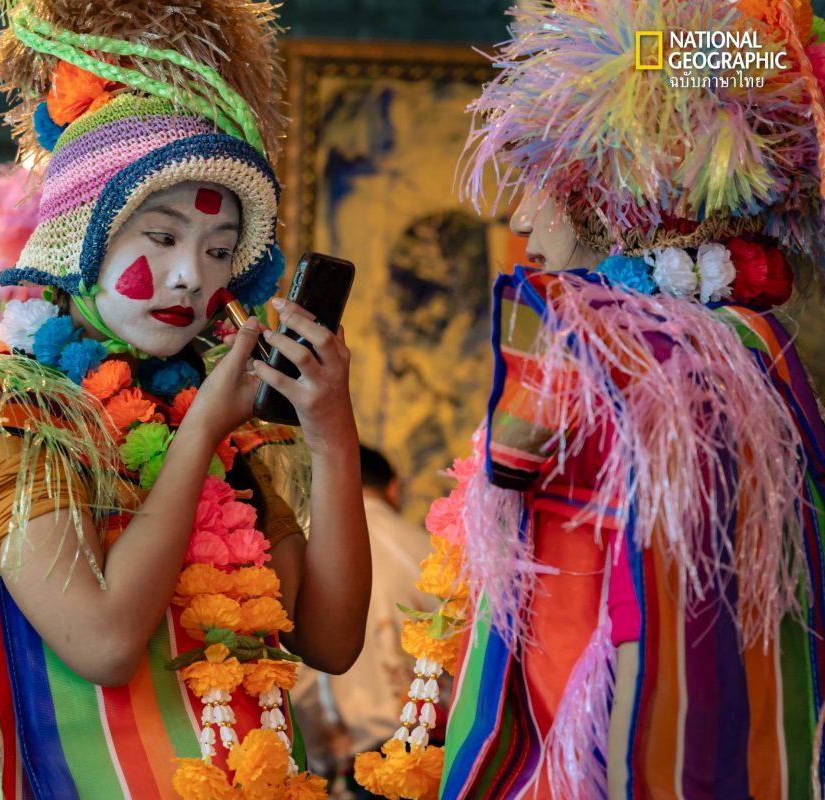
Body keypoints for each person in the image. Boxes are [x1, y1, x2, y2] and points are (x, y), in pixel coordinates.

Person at [0, 2, 372, 797]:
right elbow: (104, 642)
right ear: (78, 239)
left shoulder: (223, 430)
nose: (192, 275)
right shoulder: (3, 407)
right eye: (162, 237)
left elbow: (330, 641)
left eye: (219, 250)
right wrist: (200, 435)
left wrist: (331, 434)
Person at [354, 1, 825, 798]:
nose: (521, 216)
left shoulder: (618, 367)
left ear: (616, 198)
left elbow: (606, 633)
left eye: (543, 185)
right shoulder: (753, 353)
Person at [293, 446, 436, 797]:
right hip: (444, 755)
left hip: (364, 766)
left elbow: (301, 680)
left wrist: (320, 760)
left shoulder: (306, 556)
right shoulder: (430, 550)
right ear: (393, 489)